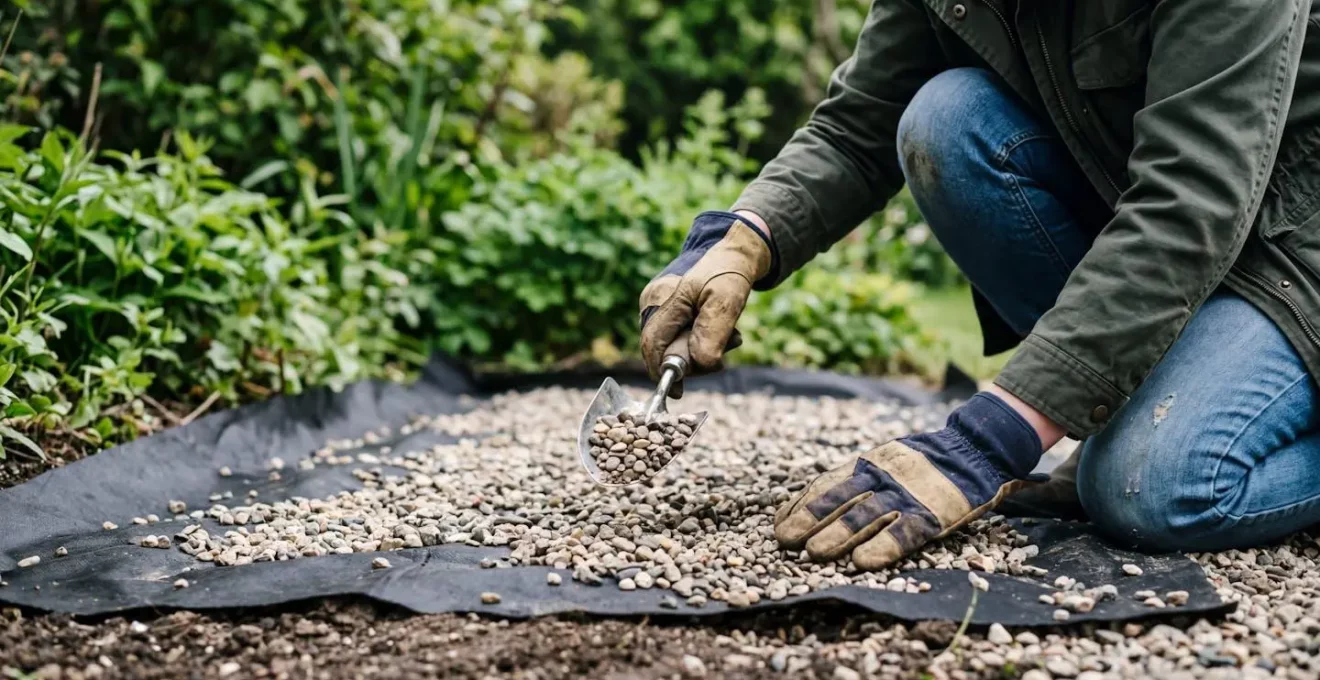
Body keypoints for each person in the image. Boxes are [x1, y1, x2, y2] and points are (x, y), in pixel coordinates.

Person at [638, 0, 1320, 569]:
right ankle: (1146, 399)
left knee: (1149, 488)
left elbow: (1187, 203)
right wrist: (738, 242)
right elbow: (857, 125)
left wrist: (988, 441)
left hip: (1291, 252)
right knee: (946, 117)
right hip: (1168, 238)